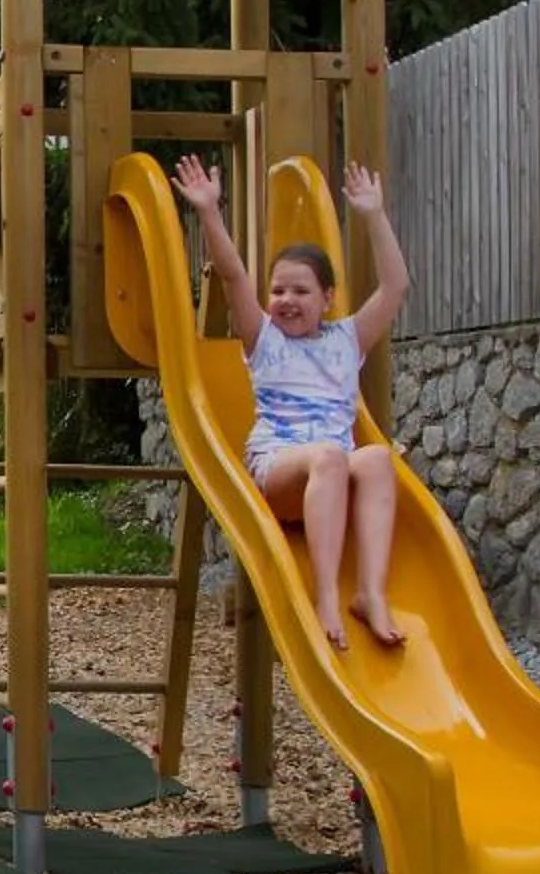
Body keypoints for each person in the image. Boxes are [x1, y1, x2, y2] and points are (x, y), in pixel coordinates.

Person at [172, 155, 412, 651]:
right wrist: (209, 213)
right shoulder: (264, 340)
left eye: (300, 291)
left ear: (327, 298)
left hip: (331, 479)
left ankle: (368, 592)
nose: (286, 299)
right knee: (330, 455)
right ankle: (325, 594)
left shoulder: (348, 340)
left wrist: (373, 215)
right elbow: (235, 277)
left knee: (375, 458)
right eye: (278, 290)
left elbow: (395, 287)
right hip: (279, 471)